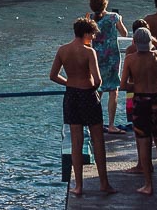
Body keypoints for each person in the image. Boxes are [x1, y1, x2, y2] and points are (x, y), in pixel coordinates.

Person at [49, 17, 114, 196]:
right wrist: (91, 87)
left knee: (76, 142)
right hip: (87, 96)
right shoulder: (88, 52)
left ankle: (78, 186)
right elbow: (98, 79)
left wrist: (69, 82)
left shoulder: (63, 50)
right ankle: (104, 183)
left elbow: (53, 76)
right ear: (85, 33)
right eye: (92, 34)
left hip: (71, 96)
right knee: (98, 140)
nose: (93, 38)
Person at [123, 26, 157, 196]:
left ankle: (148, 184)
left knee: (144, 142)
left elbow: (123, 85)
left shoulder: (130, 59)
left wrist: (136, 84)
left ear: (135, 42)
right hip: (156, 99)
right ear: (150, 41)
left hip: (140, 100)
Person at [86, 0, 127, 133]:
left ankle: (93, 122)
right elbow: (125, 33)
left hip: (96, 57)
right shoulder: (113, 17)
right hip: (112, 58)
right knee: (113, 90)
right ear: (106, 3)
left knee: (97, 89)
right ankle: (111, 125)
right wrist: (120, 20)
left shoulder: (89, 18)